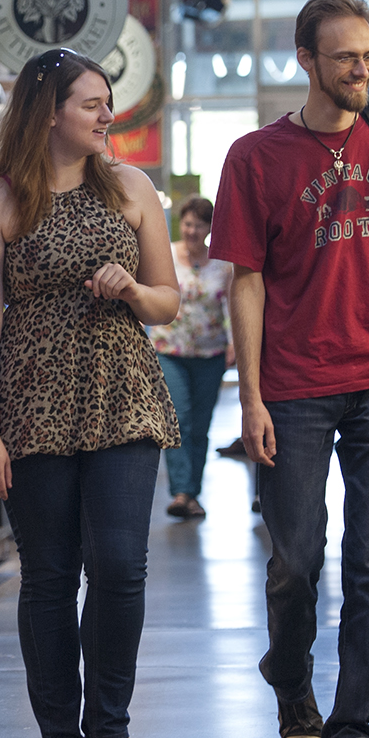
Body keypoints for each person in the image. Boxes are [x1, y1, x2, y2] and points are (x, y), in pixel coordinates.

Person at [211, 0, 369, 738]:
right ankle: (291, 683)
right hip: (294, 388)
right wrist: (249, 397)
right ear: (305, 61)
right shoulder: (256, 157)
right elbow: (245, 283)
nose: (362, 70)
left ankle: (354, 731)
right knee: (297, 561)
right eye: (347, 57)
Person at [0, 47, 182, 738]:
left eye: (106, 102)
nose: (106, 115)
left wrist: (130, 291)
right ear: (48, 110)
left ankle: (110, 726)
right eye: (91, 103)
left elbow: (168, 301)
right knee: (49, 575)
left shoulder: (130, 187)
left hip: (121, 390)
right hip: (31, 400)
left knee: (121, 567)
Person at [150, 195, 234, 521]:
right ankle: (182, 492)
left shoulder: (223, 264)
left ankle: (193, 493)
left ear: (210, 228)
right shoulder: (166, 256)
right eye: (187, 223)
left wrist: (235, 344)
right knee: (178, 419)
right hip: (169, 349)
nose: (192, 230)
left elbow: (231, 306)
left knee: (200, 425)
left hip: (211, 353)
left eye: (199, 225)